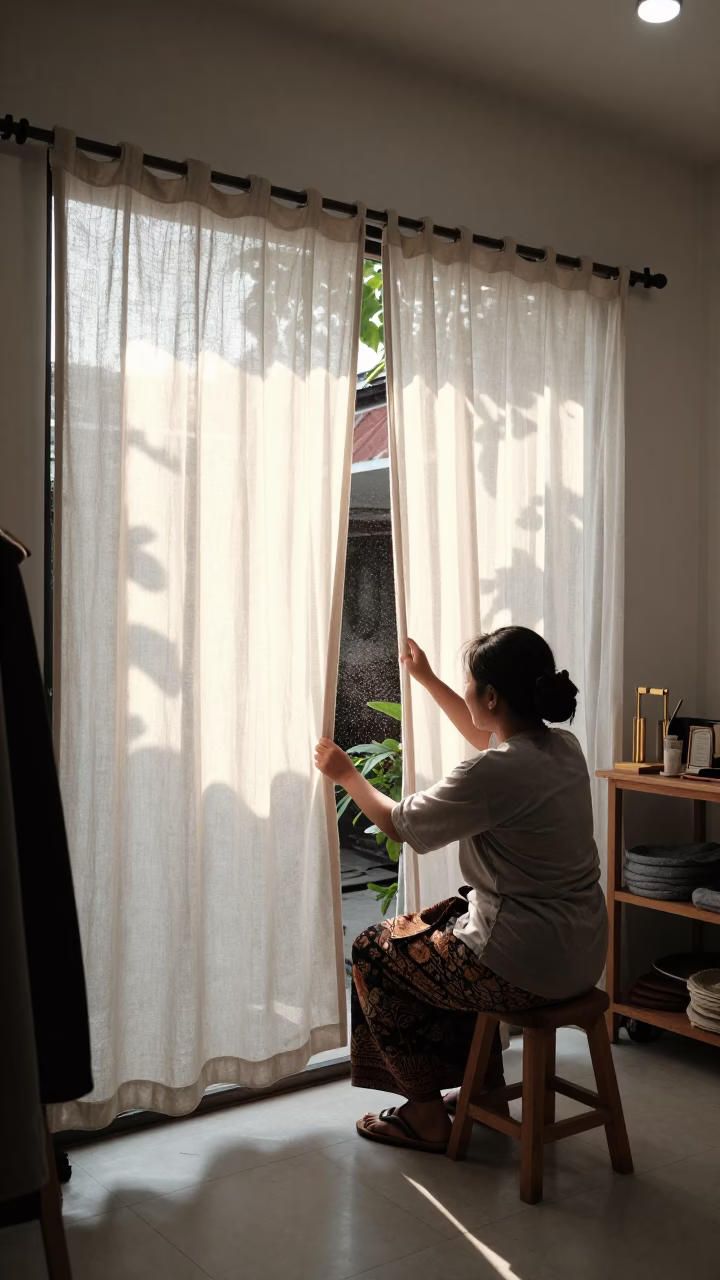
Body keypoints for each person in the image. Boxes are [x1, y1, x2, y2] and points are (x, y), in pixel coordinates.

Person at [314, 626, 607, 1154]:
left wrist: (347, 774)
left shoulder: (490, 773)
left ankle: (425, 1115)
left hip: (523, 966)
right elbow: (487, 736)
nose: (467, 689)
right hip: (583, 954)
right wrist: (425, 679)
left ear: (491, 696)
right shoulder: (564, 748)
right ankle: (486, 1095)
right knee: (450, 918)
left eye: (470, 683)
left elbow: (399, 824)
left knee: (372, 952)